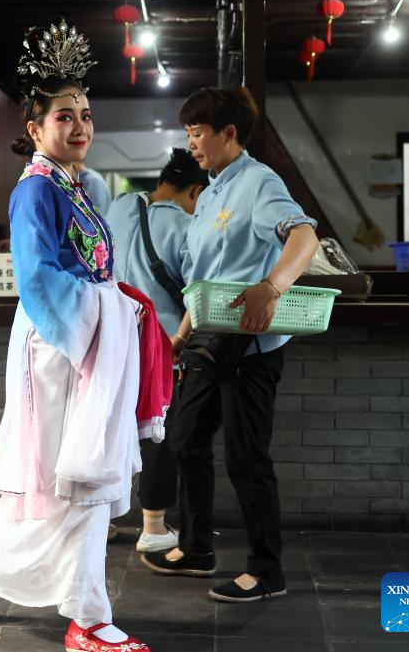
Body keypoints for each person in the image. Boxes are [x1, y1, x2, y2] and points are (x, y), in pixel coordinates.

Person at [0, 19, 155, 652]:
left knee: (67, 489)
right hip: (60, 350)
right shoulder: (36, 190)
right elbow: (38, 279)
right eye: (65, 116)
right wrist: (106, 311)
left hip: (87, 345)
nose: (81, 125)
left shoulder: (80, 187)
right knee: (80, 480)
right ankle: (88, 621)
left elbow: (94, 271)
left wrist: (118, 304)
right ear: (35, 130)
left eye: (86, 114)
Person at [140, 87, 319, 604]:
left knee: (246, 458)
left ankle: (267, 571)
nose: (191, 144)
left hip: (250, 349)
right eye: (189, 133)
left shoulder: (260, 182)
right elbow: (204, 277)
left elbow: (304, 236)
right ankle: (197, 547)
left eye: (197, 133)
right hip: (207, 340)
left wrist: (272, 287)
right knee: (185, 439)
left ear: (228, 134)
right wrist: (180, 334)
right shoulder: (212, 190)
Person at [106, 147, 207, 553]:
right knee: (156, 433)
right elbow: (197, 288)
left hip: (110, 340)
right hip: (162, 349)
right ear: (195, 191)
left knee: (108, 432)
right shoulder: (184, 225)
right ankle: (153, 527)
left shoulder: (118, 209)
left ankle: (101, 520)